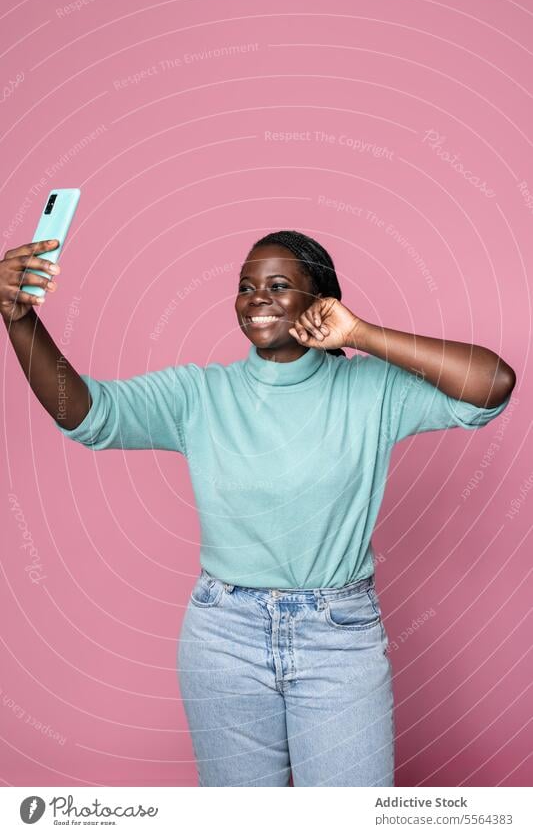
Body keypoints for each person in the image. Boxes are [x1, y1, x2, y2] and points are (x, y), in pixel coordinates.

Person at [1, 229, 516, 787]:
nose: (257, 298)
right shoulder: (198, 395)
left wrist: (362, 333)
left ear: (320, 300)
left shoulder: (371, 390)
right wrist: (18, 318)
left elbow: (492, 384)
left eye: (278, 285)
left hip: (337, 635)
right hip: (224, 636)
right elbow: (82, 413)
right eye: (246, 287)